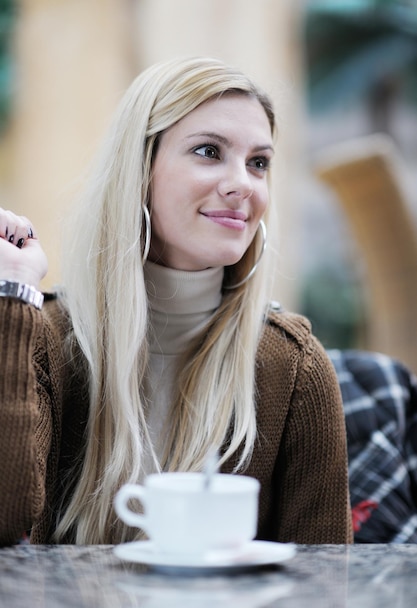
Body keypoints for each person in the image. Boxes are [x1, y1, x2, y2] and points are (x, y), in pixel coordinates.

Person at [0, 56, 352, 546]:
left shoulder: (292, 368)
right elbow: (4, 519)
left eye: (258, 163)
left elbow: (325, 591)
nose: (242, 185)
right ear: (140, 169)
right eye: (209, 151)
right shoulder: (43, 338)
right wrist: (13, 294)